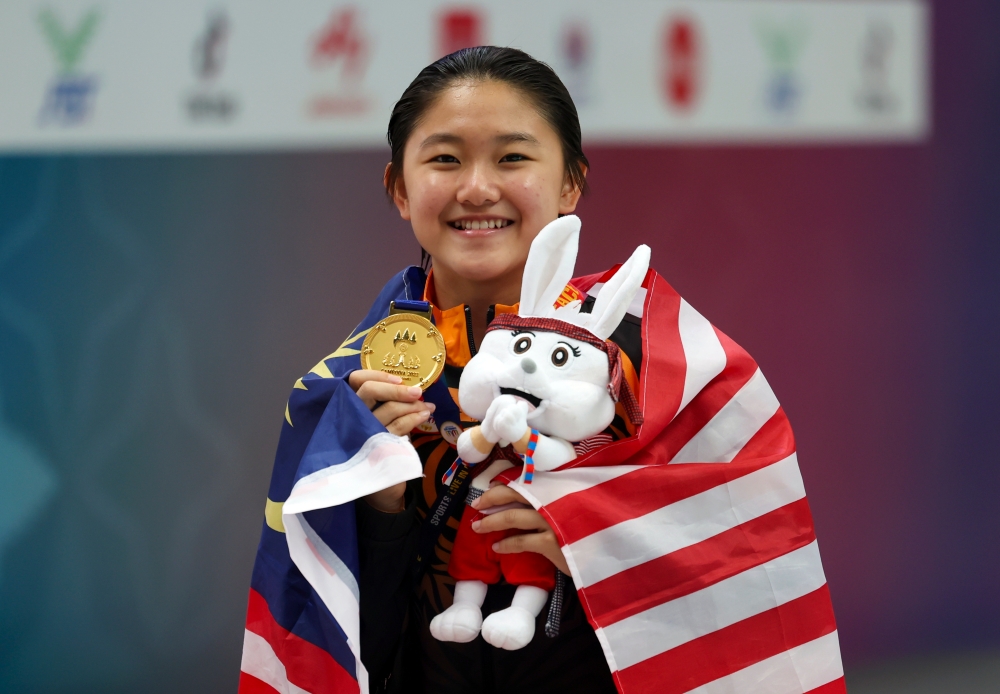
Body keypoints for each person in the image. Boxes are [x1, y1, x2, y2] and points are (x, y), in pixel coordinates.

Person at [348, 47, 626, 693]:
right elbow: (325, 616)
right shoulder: (357, 377)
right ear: (399, 187)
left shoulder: (648, 360)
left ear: (570, 185)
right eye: (445, 158)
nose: (476, 188)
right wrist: (378, 498)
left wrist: (604, 544)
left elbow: (740, 547)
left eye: (512, 157)